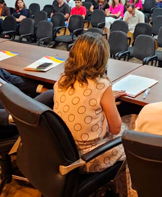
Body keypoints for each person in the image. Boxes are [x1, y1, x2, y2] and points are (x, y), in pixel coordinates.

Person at [53, 32, 128, 172]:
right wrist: (108, 98)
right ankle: (123, 192)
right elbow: (115, 129)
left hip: (64, 152)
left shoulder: (62, 80)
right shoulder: (101, 85)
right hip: (89, 157)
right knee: (132, 129)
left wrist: (107, 99)